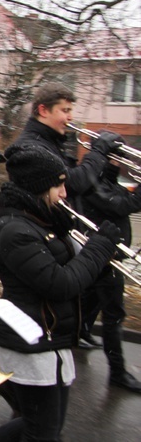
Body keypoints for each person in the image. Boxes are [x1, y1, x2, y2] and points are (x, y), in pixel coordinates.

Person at [0, 145, 120, 442]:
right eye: (59, 185)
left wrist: (100, 265)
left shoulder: (42, 222)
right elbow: (61, 283)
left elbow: (70, 269)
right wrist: (98, 249)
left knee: (42, 426)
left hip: (50, 339)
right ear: (39, 187)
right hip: (30, 346)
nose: (65, 193)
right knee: (42, 431)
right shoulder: (16, 230)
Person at [12, 82, 122, 347]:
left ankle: (80, 334)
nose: (70, 117)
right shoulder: (33, 145)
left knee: (97, 287)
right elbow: (73, 183)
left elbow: (81, 187)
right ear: (43, 110)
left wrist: (110, 166)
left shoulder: (51, 142)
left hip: (59, 230)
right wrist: (97, 153)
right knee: (67, 291)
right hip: (45, 233)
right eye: (65, 110)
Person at [78, 156, 141, 393]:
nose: (120, 162)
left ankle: (78, 334)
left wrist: (115, 169)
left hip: (108, 256)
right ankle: (118, 372)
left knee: (89, 301)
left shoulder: (105, 181)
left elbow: (122, 198)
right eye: (115, 157)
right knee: (114, 315)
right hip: (106, 257)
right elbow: (125, 205)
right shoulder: (91, 184)